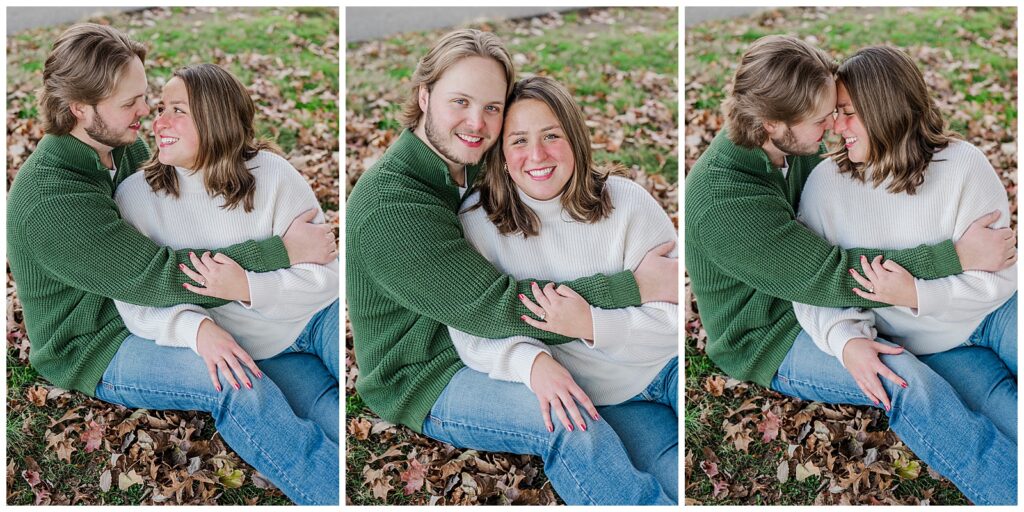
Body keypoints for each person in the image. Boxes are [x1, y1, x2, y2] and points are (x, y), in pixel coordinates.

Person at [6, 24, 338, 505]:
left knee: (319, 399)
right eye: (130, 104)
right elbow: (156, 276)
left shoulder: (122, 147)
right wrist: (281, 252)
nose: (146, 113)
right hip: (100, 342)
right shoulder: (50, 201)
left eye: (145, 96)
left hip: (167, 311)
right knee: (236, 383)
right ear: (80, 109)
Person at [347, 29, 679, 505]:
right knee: (573, 427)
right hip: (428, 369)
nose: (477, 123)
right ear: (424, 97)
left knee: (666, 459)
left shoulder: (480, 164)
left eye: (492, 107)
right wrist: (634, 286)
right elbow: (491, 307)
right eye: (459, 101)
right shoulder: (389, 203)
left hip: (511, 345)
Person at [685, 34, 1017, 505]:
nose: (833, 128)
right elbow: (827, 275)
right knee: (907, 382)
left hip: (827, 297)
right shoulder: (723, 200)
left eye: (838, 112)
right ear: (772, 123)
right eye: (821, 119)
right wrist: (956, 257)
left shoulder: (786, 151)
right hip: (771, 332)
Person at [793, 46, 1016, 440]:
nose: (836, 126)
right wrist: (846, 339)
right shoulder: (825, 186)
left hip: (998, 312)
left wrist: (916, 294)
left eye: (848, 112)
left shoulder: (964, 165)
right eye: (833, 115)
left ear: (884, 108)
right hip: (933, 348)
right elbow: (810, 286)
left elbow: (997, 276)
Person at [111, 63, 340, 441]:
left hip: (316, 318)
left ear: (214, 117)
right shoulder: (136, 198)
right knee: (332, 424)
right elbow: (138, 303)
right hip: (255, 349)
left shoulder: (273, 174)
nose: (159, 123)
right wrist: (195, 328)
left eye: (177, 110)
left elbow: (327, 276)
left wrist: (246, 287)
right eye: (160, 110)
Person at [448, 76, 677, 436]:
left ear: (576, 140)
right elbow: (471, 330)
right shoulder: (477, 224)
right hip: (591, 398)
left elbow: (676, 315)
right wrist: (530, 362)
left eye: (551, 136)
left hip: (665, 366)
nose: (537, 155)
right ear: (501, 155)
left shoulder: (627, 202)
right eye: (519, 141)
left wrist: (591, 324)